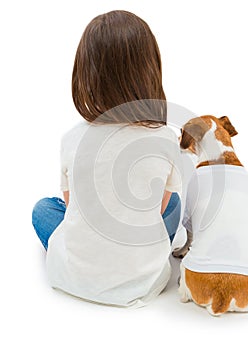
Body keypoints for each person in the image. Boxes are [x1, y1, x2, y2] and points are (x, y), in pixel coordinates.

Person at [32, 10, 182, 307]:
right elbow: (163, 207)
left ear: (86, 75)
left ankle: (88, 260)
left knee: (44, 210)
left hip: (72, 277)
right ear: (150, 70)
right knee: (174, 204)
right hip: (146, 281)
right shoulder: (164, 139)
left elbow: (74, 206)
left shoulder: (72, 138)